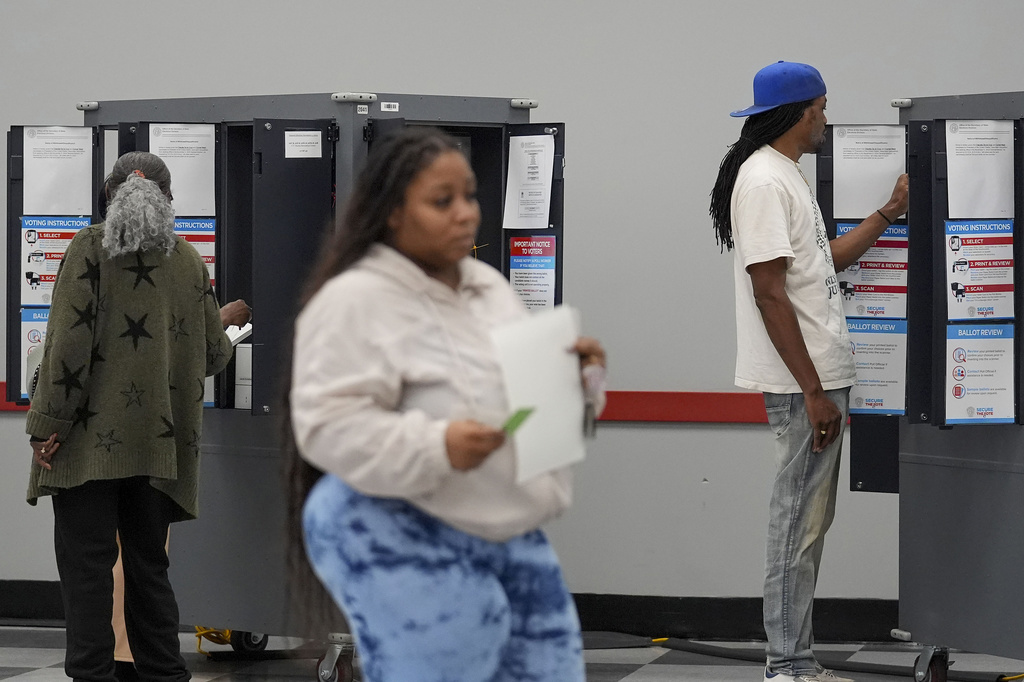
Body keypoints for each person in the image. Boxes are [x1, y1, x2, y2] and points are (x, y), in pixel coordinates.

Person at [286, 126, 606, 682]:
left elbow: (518, 402)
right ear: (391, 213)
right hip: (407, 529)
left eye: (470, 197)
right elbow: (326, 425)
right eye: (442, 201)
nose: (465, 214)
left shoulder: (488, 287)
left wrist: (573, 383)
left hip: (513, 532)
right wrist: (437, 446)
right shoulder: (354, 302)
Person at [709, 61, 909, 682]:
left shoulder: (783, 177)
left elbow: (818, 269)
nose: (826, 119)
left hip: (817, 380)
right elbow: (769, 291)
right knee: (796, 521)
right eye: (822, 108)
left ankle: (797, 660)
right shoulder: (766, 182)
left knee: (808, 521)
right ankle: (787, 665)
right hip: (806, 386)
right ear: (800, 112)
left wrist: (887, 212)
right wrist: (814, 390)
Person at [25, 151, 251, 682]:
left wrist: (45, 426)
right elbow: (213, 358)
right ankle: (165, 675)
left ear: (109, 195)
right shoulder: (189, 262)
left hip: (86, 447)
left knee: (88, 572)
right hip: (159, 445)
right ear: (170, 201)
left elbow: (67, 348)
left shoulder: (89, 248)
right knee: (150, 569)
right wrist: (220, 325)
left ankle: (91, 675)